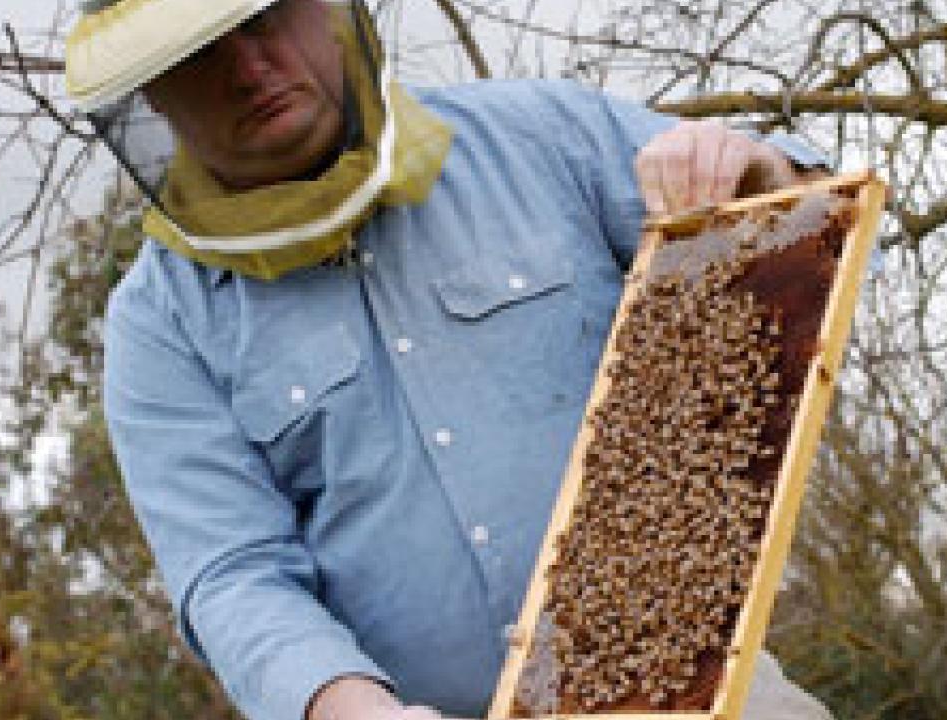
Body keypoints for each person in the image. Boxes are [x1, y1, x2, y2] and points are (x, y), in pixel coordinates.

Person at [67, 1, 835, 719]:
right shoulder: (160, 324)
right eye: (199, 51)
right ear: (153, 94)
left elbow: (806, 216)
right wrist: (349, 707)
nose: (247, 66)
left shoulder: (543, 137)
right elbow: (234, 574)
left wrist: (755, 180)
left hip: (707, 684)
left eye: (266, 16)